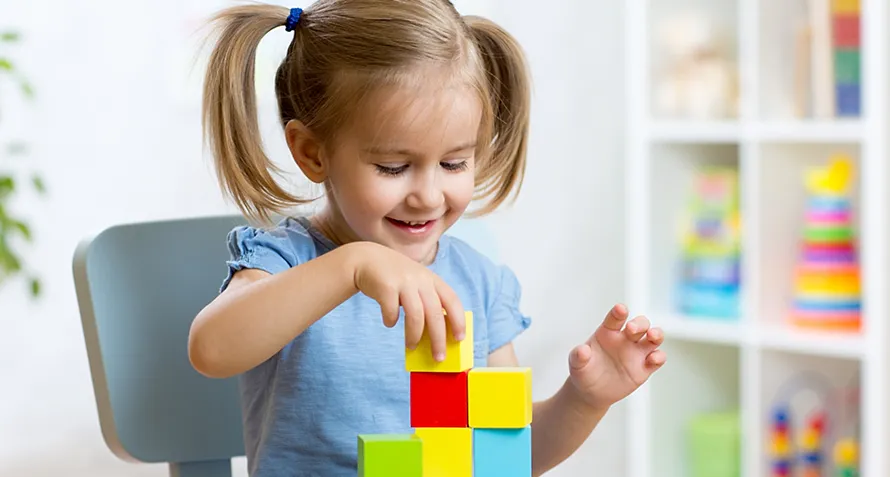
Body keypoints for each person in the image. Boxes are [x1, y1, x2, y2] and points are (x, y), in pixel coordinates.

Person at [187, 1, 667, 476]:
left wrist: (583, 401)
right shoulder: (285, 260)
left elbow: (507, 456)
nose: (428, 195)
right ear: (313, 153)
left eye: (454, 163)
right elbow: (212, 349)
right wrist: (352, 266)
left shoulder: (479, 283)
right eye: (394, 167)